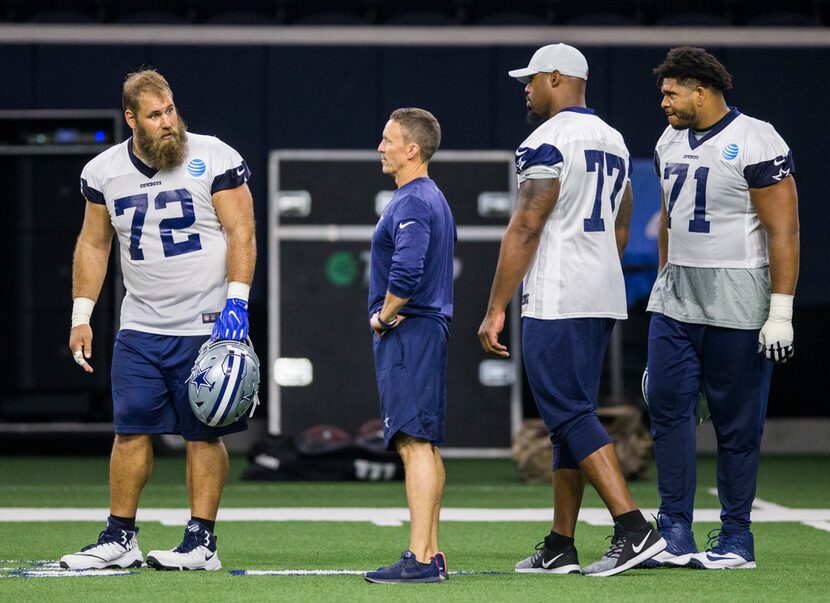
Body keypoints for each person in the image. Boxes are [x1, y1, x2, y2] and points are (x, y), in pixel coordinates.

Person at [478, 43, 666, 577]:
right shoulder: (613, 137)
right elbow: (623, 221)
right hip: (600, 287)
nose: (527, 90)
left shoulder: (545, 139)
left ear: (556, 77)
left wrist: (495, 307)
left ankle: (634, 528)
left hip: (560, 290)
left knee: (567, 411)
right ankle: (562, 541)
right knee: (569, 418)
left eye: (532, 80)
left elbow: (528, 224)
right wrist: (597, 261)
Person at [60, 68, 256, 571]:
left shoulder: (213, 155)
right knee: (130, 431)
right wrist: (82, 314)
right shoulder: (103, 171)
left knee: (203, 433)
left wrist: (236, 304)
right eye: (155, 115)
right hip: (141, 324)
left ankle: (202, 541)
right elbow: (94, 242)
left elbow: (241, 232)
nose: (168, 122)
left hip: (207, 324)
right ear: (131, 119)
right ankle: (119, 536)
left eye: (170, 109)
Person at [644, 47, 799, 570]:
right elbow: (668, 218)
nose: (663, 101)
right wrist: (664, 280)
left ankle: (736, 536)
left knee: (736, 424)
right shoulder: (668, 140)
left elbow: (784, 230)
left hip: (738, 293)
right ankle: (674, 529)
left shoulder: (756, 138)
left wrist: (781, 310)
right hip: (677, 295)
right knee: (667, 408)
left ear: (700, 91)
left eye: (671, 92)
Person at [363, 108, 456, 584]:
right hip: (425, 330)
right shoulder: (426, 196)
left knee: (414, 445)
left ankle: (420, 559)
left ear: (411, 149)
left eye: (387, 140)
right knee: (425, 444)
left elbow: (408, 269)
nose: (381, 147)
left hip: (410, 331)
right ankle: (433, 553)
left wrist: (385, 314)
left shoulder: (414, 201)